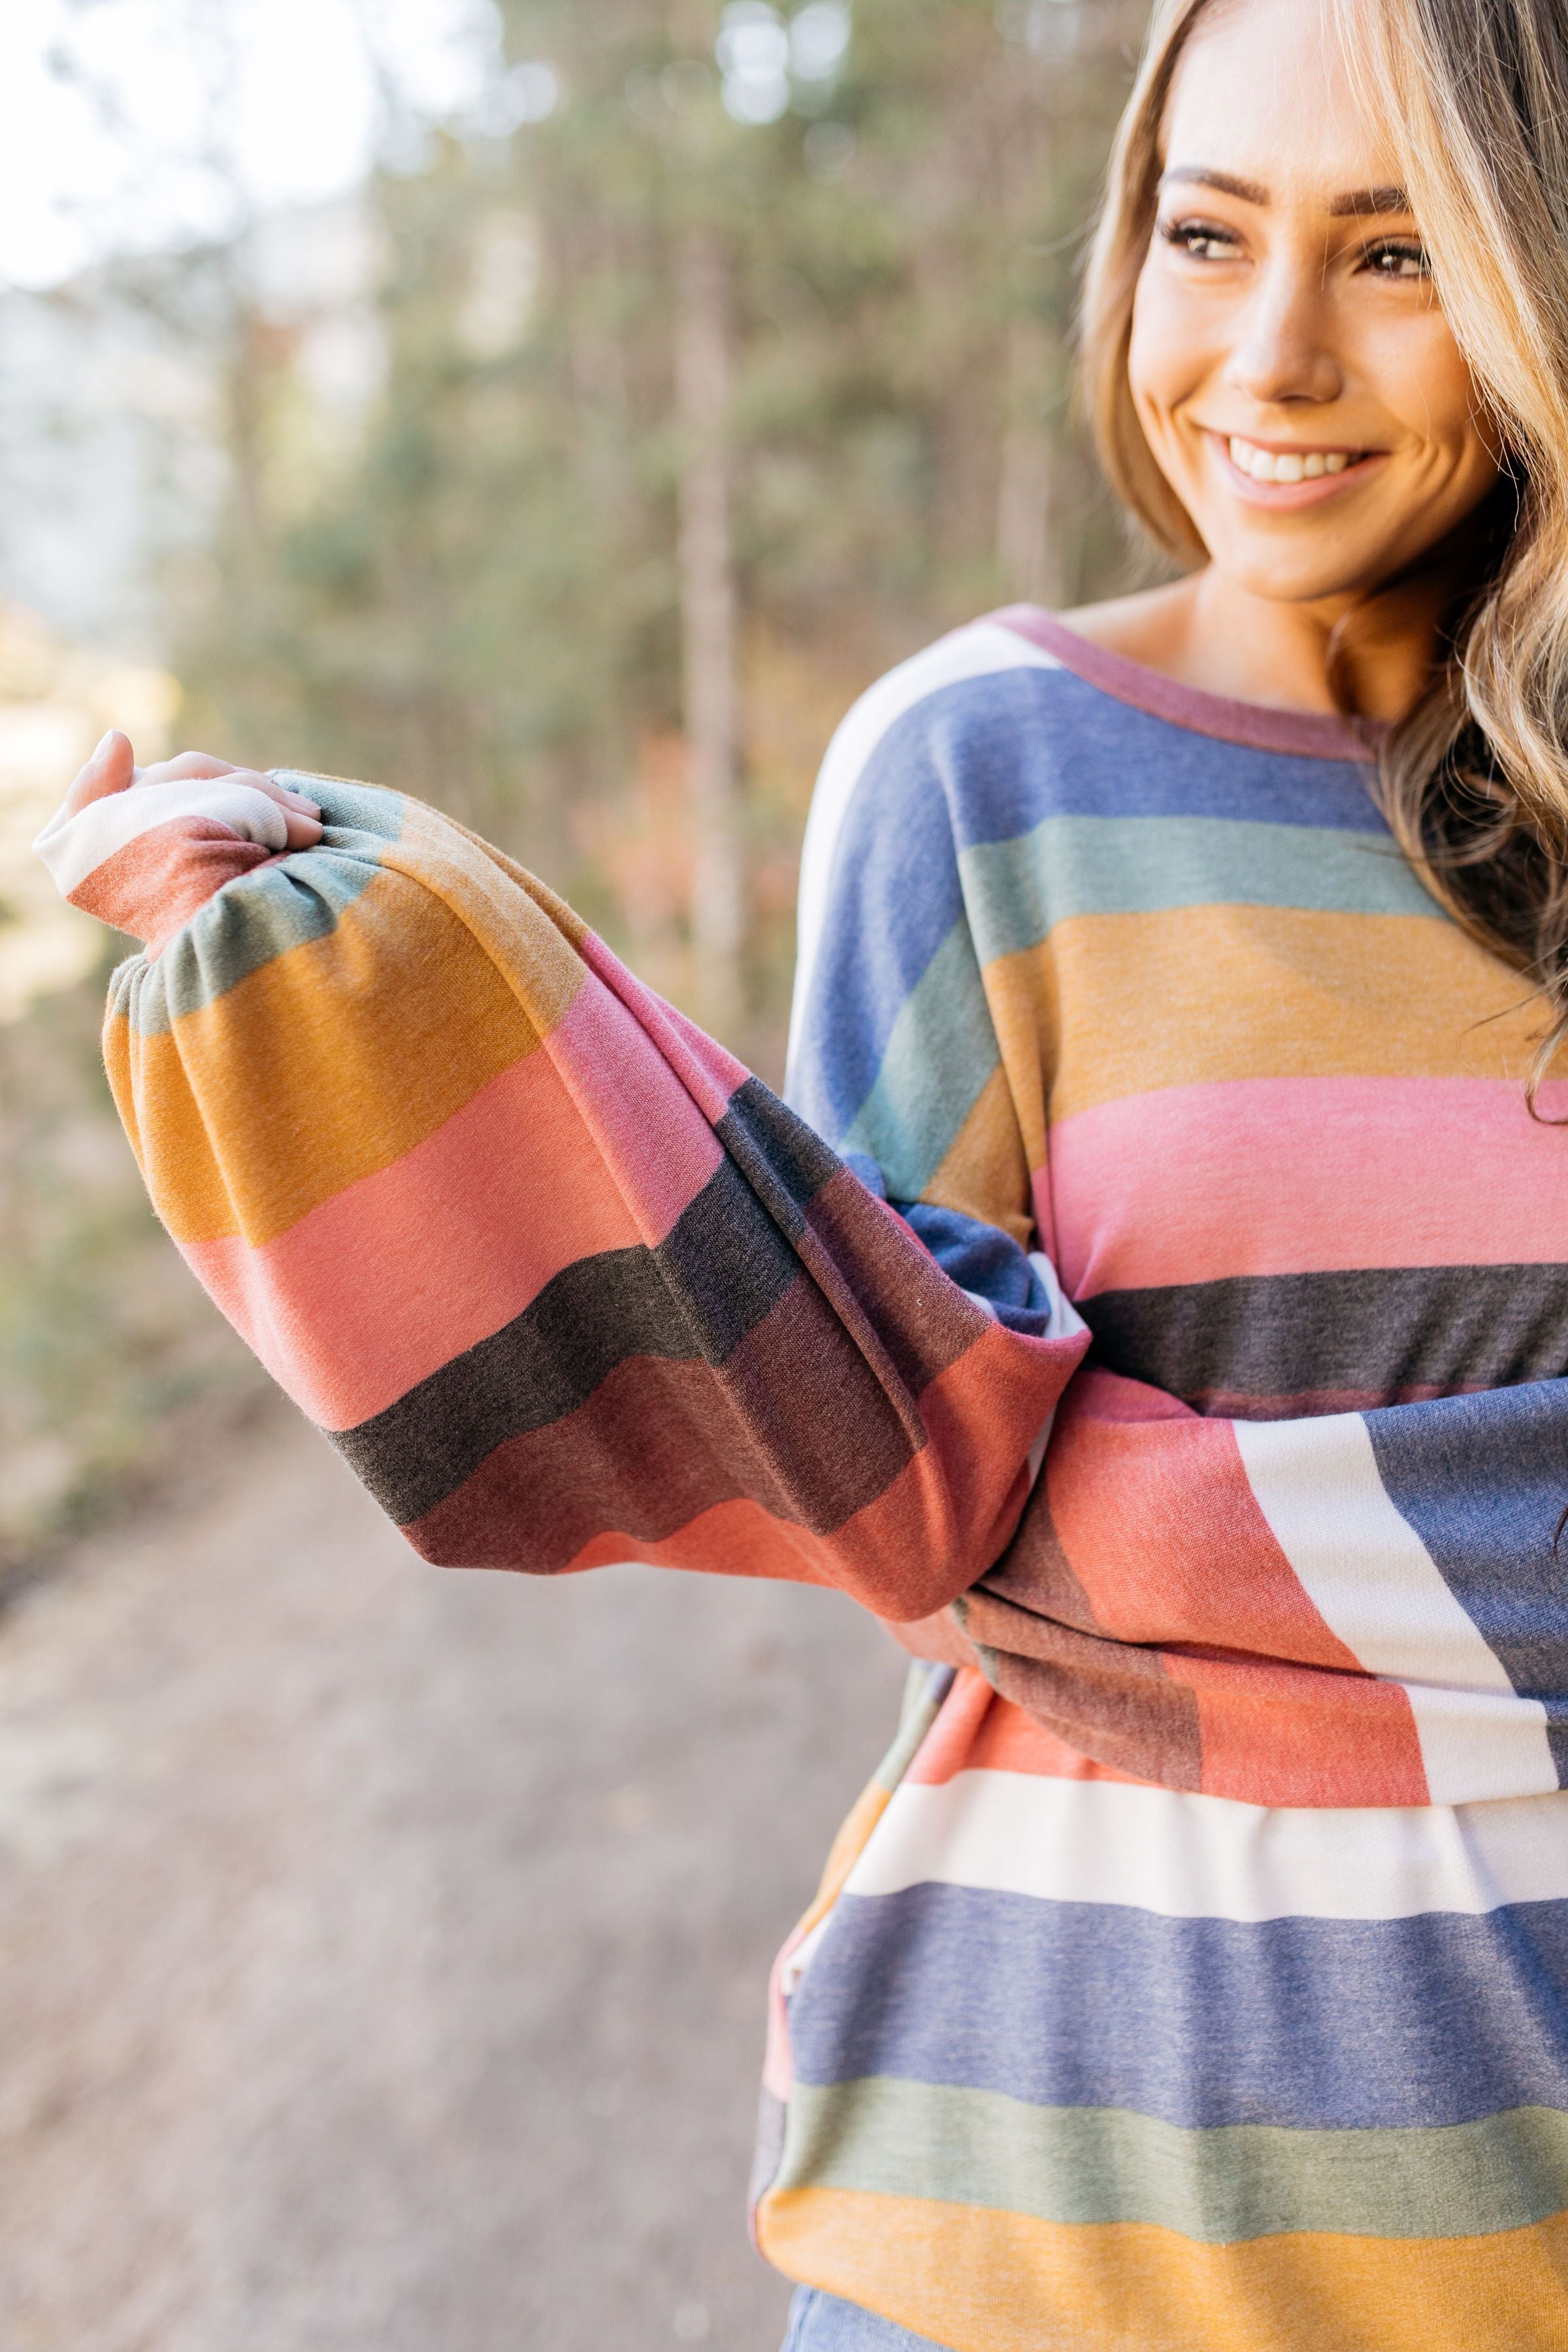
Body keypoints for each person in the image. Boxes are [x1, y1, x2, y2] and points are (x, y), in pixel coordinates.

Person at [35, 0, 1568, 2342]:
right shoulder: (982, 767)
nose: (1270, 355)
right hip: (1044, 2208)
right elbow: (883, 1443)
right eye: (1204, 232)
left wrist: (1206, 1537)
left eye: (1396, 255)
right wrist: (374, 961)